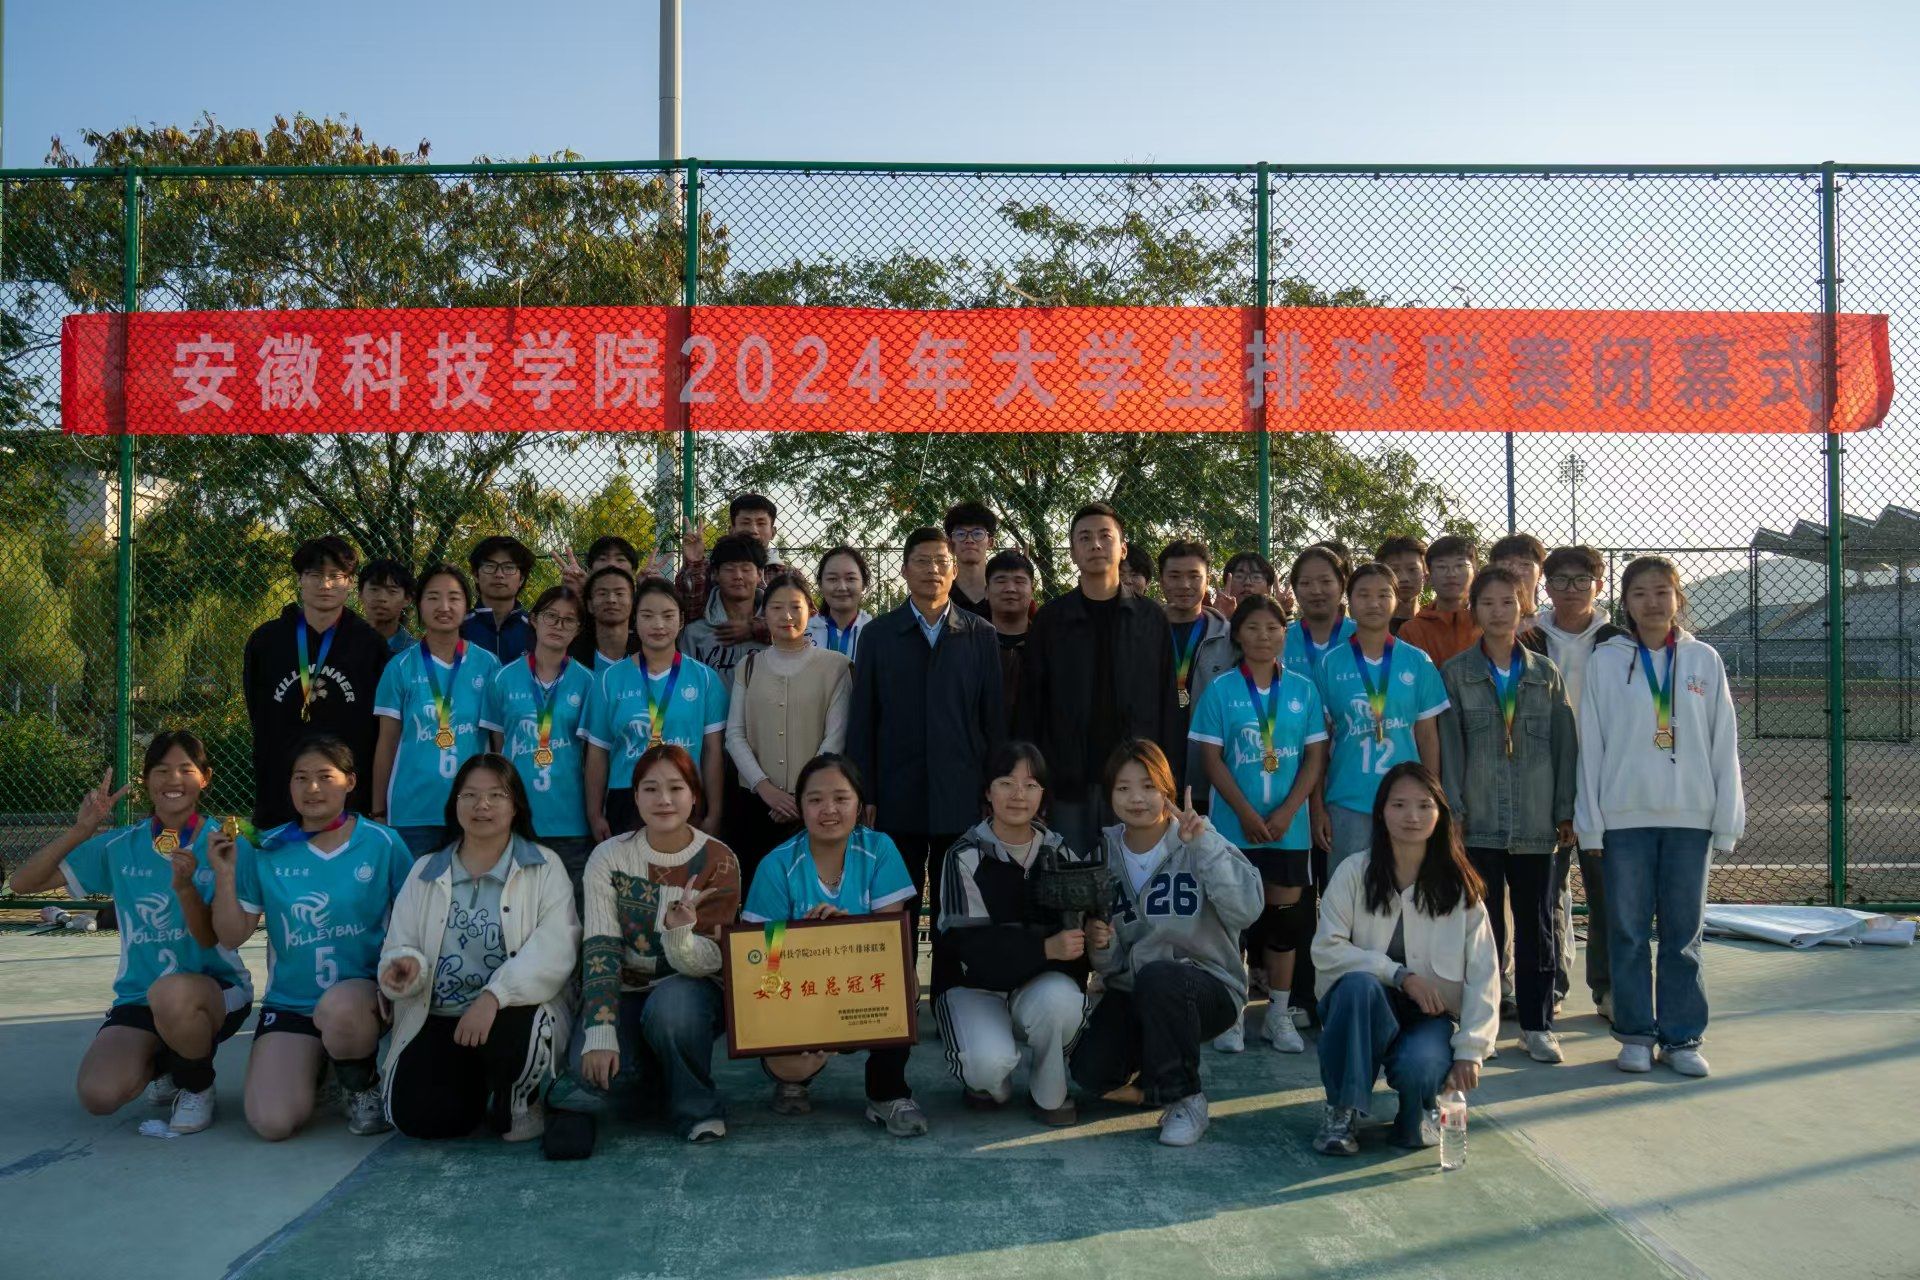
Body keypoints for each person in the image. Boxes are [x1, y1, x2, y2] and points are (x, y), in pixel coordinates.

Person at [6, 733, 253, 1136]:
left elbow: (219, 939)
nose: (173, 779)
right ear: (145, 780)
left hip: (214, 992)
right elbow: (22, 883)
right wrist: (81, 830)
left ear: (205, 778)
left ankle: (196, 1084)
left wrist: (192, 886)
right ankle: (171, 1061)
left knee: (172, 995)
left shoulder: (224, 843)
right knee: (99, 1095)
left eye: (186, 769)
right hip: (141, 997)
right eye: (161, 770)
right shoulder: (121, 845)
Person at [1576, 557, 1743, 1078]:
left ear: (1678, 598)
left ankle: (1681, 1037)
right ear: (1625, 602)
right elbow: (1591, 745)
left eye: (1661, 592)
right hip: (1624, 819)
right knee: (1627, 931)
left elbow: (1723, 740)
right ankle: (1634, 1034)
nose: (1652, 602)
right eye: (1640, 593)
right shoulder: (1605, 661)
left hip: (1690, 818)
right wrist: (1590, 820)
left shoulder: (1704, 659)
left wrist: (1726, 816)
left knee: (1683, 933)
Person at [209, 736, 413, 1140]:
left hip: (359, 1001)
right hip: (292, 1004)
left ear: (350, 782)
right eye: (301, 778)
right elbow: (231, 936)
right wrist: (225, 875)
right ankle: (319, 1067)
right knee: (272, 1123)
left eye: (325, 776)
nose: (312, 788)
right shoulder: (267, 847)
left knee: (341, 1011)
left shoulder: (382, 842)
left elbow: (417, 919)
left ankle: (361, 1084)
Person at [543, 745, 744, 1154]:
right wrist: (601, 1030)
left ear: (694, 796)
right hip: (626, 989)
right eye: (650, 789)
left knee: (673, 1011)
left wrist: (679, 934)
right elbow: (600, 945)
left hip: (691, 986)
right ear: (634, 797)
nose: (663, 799)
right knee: (590, 1067)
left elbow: (716, 957)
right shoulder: (609, 856)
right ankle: (658, 1082)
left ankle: (697, 1108)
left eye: (676, 788)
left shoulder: (719, 859)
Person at [1068, 740, 1261, 1147]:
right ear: (1110, 795)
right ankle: (1154, 1090)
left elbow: (1246, 910)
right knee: (1090, 1072)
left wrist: (1204, 846)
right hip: (1137, 989)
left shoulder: (1200, 838)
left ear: (1167, 790)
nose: (1136, 798)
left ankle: (1186, 1099)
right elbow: (1110, 967)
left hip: (1208, 988)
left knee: (1161, 978)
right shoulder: (1101, 857)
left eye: (1148, 786)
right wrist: (1100, 945)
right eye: (1123, 788)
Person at [377, 754, 580, 1141]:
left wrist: (493, 996)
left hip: (509, 1014)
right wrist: (404, 968)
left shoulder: (544, 866)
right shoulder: (425, 870)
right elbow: (399, 944)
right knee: (421, 1120)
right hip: (440, 1014)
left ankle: (519, 1099)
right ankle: (478, 1086)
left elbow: (555, 948)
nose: (481, 805)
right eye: (469, 795)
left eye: (496, 795)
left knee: (512, 1041)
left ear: (516, 805)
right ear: (454, 804)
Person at [1310, 763, 1497, 1156]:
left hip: (1429, 1015)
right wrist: (1398, 974)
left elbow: (1485, 973)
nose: (1412, 816)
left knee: (1421, 1069)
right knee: (1359, 985)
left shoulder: (1459, 888)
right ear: (1381, 812)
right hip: (1362, 1007)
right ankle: (1341, 1111)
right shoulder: (1353, 872)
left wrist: (1471, 1050)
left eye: (1424, 805)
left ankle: (1419, 1109)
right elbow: (1326, 948)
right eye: (1399, 805)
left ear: (1440, 814)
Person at [741, 754, 928, 1137]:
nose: (829, 810)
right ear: (800, 806)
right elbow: (764, 965)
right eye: (815, 800)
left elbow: (888, 943)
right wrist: (805, 944)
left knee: (902, 978)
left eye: (841, 798)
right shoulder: (776, 865)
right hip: (803, 989)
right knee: (789, 1064)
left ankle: (888, 1092)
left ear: (859, 804)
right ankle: (796, 1080)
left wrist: (845, 935)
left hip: (860, 984)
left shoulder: (880, 849)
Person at [1437, 567, 1578, 1064]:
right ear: (1474, 609)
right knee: (1483, 927)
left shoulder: (1545, 673)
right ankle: (1484, 1024)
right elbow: (1450, 750)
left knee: (1537, 925)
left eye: (1508, 602)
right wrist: (1454, 812)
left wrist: (1565, 810)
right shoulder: (1456, 673)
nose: (1499, 612)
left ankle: (1537, 1026)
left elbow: (1564, 746)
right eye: (1488, 603)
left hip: (1536, 823)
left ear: (1523, 608)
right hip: (1478, 823)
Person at [847, 528, 1004, 950]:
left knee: (956, 903)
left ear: (954, 571)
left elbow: (993, 721)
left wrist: (991, 787)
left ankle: (951, 985)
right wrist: (866, 792)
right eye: (921, 560)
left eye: (941, 561)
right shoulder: (878, 635)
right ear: (903, 570)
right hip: (897, 792)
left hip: (962, 792)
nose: (932, 569)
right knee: (897, 901)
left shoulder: (980, 634)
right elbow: (863, 720)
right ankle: (901, 987)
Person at [1189, 595, 1327, 1054]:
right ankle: (1231, 1014)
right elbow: (1211, 760)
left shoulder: (1304, 690)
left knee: (1284, 925)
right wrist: (1246, 814)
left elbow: (1314, 757)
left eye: (1272, 628)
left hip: (1289, 829)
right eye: (1252, 628)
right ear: (1237, 636)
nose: (1263, 636)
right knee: (1234, 923)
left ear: (1284, 634)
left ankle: (1278, 1016)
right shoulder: (1221, 690)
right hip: (1234, 827)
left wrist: (1288, 811)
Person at [934, 741, 1091, 1126]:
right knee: (986, 1065)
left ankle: (1049, 1091)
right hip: (974, 986)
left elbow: (1076, 938)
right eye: (1006, 782)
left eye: (1031, 785)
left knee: (1061, 1003)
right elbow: (970, 948)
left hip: (1035, 985)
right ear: (988, 792)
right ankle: (991, 1083)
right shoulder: (962, 855)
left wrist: (1094, 935)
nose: (1018, 794)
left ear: (1043, 795)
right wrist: (1045, 947)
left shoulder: (1060, 854)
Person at [1018, 502, 1180, 851]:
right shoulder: (1051, 620)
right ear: (1072, 552)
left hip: (1136, 778)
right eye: (1084, 538)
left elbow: (1167, 700)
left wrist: (1166, 777)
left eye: (1105, 536)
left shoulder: (1151, 619)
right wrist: (1033, 777)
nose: (1095, 545)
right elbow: (1031, 704)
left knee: (1133, 875)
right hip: (1067, 779)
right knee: (1070, 874)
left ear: (1123, 548)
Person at [1537, 544, 1629, 1020]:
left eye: (1581, 580)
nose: (1570, 589)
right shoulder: (1529, 638)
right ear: (1546, 586)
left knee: (1605, 891)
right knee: (1546, 891)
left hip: (1603, 780)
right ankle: (1549, 987)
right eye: (1559, 580)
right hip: (1544, 779)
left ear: (1599, 584)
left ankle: (1608, 989)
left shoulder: (1620, 641)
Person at [242, 536, 391, 827]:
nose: (325, 585)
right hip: (281, 789)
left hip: (349, 792)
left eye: (336, 576)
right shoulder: (267, 641)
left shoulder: (369, 644)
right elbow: (257, 710)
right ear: (300, 579)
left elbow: (378, 722)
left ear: (350, 583)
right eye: (315, 575)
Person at [1314, 563, 1448, 870]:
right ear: (1348, 602)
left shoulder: (1418, 661)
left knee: (1407, 888)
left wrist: (1432, 797)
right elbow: (1319, 744)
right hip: (1347, 799)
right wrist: (1317, 806)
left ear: (1396, 600)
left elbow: (1427, 736)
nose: (1373, 603)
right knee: (1350, 889)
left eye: (1383, 595)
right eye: (1363, 595)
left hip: (1406, 802)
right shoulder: (1329, 664)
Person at [728, 571, 854, 883]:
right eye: (776, 608)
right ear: (763, 614)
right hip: (756, 805)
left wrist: (802, 794)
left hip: (815, 806)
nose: (787, 616)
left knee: (813, 891)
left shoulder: (836, 666)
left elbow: (836, 736)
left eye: (796, 607)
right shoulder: (749, 666)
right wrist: (765, 788)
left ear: (811, 610)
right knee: (760, 890)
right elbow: (734, 735)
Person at [585, 575, 730, 842]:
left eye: (668, 615)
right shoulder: (608, 680)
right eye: (648, 616)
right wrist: (595, 814)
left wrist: (715, 812)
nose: (658, 625)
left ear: (681, 620)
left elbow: (712, 752)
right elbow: (597, 752)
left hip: (685, 794)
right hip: (626, 797)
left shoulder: (705, 679)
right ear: (635, 620)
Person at [371, 564, 503, 855]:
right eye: (433, 597)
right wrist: (378, 810)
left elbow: (499, 744)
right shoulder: (400, 667)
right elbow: (387, 742)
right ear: (419, 604)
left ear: (466, 606)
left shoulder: (489, 665)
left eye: (454, 598)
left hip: (475, 811)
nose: (444, 606)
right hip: (412, 813)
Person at [483, 585, 597, 890]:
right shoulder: (503, 678)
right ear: (534, 619)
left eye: (568, 620)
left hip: (570, 820)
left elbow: (592, 755)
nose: (558, 625)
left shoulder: (589, 682)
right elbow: (497, 748)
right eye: (551, 616)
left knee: (570, 907)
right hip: (517, 818)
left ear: (578, 629)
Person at [1159, 538, 1235, 812]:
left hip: (1209, 772)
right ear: (1161, 580)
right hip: (1154, 766)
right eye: (1174, 576)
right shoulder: (1142, 631)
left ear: (1207, 580)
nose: (1184, 585)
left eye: (1194, 576)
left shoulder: (1230, 638)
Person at [677, 493, 779, 639]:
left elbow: (800, 622)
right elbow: (688, 611)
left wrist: (754, 628)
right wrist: (695, 563)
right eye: (745, 522)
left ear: (773, 532)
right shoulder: (711, 569)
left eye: (761, 523)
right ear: (731, 530)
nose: (753, 530)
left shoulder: (788, 576)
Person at [679, 533, 770, 687]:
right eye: (729, 569)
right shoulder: (695, 633)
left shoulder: (778, 629)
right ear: (715, 574)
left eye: (746, 569)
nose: (738, 576)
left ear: (759, 574)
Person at [1395, 534, 1480, 666]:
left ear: (1475, 574)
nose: (1451, 574)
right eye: (1441, 567)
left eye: (1460, 566)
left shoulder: (1488, 623)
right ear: (1428, 578)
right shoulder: (1412, 631)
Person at [1281, 545, 1354, 682]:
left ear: (1341, 585)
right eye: (1305, 583)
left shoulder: (1363, 635)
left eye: (1326, 581)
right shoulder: (1279, 639)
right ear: (1295, 589)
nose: (1316, 591)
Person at [463, 535, 537, 662]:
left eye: (509, 567)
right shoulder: (458, 626)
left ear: (521, 579)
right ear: (475, 575)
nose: (499, 574)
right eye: (490, 566)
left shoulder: (536, 629)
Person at [985, 548, 1036, 724]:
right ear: (986, 591)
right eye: (1001, 581)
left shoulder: (1047, 645)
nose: (1010, 589)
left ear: (1032, 591)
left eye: (1019, 581)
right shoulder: (970, 645)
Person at [1490, 533, 1554, 657]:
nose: (1516, 571)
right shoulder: (1479, 625)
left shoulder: (1553, 627)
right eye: (1506, 564)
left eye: (1525, 564)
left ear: (1540, 573)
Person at [808, 546, 875, 663]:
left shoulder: (877, 634)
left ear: (864, 583)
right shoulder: (804, 634)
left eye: (850, 578)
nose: (842, 587)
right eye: (832, 579)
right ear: (820, 584)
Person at [570, 565, 641, 672]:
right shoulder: (571, 657)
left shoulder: (649, 654)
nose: (611, 600)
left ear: (632, 602)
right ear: (590, 604)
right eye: (602, 593)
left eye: (619, 593)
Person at [944, 499, 1000, 618]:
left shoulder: (1002, 592)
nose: (969, 540)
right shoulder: (941, 595)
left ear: (990, 542)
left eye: (977, 533)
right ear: (950, 544)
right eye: (961, 534)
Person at [358, 558, 417, 655]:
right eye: (374, 589)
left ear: (407, 599)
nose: (382, 598)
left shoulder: (414, 654)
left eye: (392, 591)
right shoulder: (341, 644)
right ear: (360, 594)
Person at [1375, 535, 1429, 635]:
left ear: (1426, 576)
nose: (1404, 578)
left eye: (1412, 569)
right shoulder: (1369, 626)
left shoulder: (1435, 625)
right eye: (1394, 570)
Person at [1220, 551, 1281, 618]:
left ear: (1269, 588)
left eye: (1256, 577)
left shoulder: (1279, 621)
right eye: (1239, 576)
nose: (1247, 582)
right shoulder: (1215, 621)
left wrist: (1284, 612)